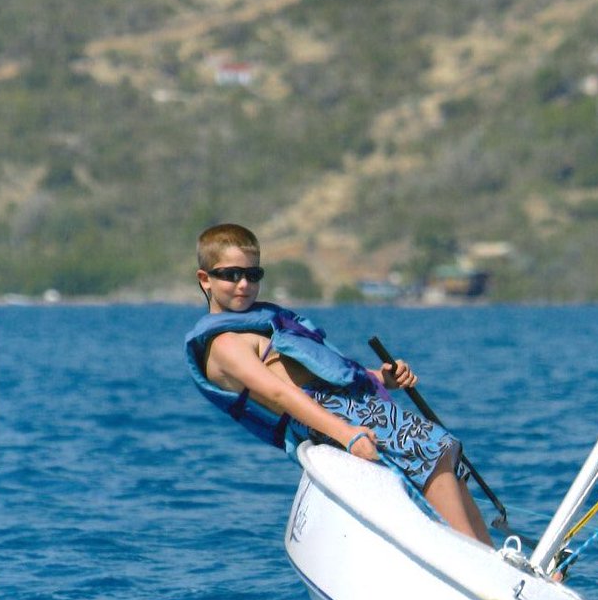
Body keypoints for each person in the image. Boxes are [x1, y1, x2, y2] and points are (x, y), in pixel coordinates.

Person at [184, 223, 492, 546]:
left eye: (253, 274)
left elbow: (320, 371)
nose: (244, 284)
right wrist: (347, 434)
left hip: (355, 407)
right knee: (429, 457)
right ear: (205, 279)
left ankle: (492, 557)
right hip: (334, 420)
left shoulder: (259, 324)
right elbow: (280, 392)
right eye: (231, 275)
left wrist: (380, 377)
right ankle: (478, 559)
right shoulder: (225, 345)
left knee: (443, 452)